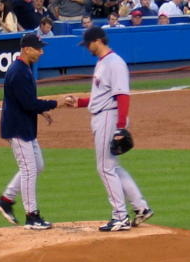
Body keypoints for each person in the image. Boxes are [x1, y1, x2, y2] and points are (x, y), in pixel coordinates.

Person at [65, 27, 154, 232]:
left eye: (88, 43)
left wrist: (120, 127)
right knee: (112, 166)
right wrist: (79, 102)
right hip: (103, 115)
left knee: (104, 168)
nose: (86, 47)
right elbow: (101, 95)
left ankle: (120, 216)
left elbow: (122, 95)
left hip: (109, 117)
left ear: (97, 41)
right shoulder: (102, 62)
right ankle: (141, 207)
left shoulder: (115, 63)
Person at [0, 33, 67, 230]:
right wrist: (55, 104)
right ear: (26, 49)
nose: (41, 52)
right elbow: (28, 103)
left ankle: (6, 200)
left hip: (25, 127)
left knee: (37, 165)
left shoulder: (25, 68)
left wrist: (42, 111)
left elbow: (27, 102)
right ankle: (32, 216)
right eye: (38, 48)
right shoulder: (18, 72)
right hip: (17, 129)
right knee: (29, 170)